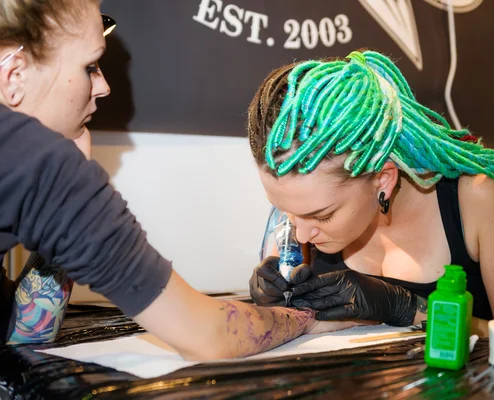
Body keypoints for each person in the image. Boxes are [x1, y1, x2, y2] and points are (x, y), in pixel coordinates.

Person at [0, 0, 354, 358]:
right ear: (14, 75)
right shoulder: (40, 162)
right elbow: (208, 333)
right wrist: (306, 320)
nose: (103, 85)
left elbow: (23, 332)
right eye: (89, 66)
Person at [247, 50, 494, 349]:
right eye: (286, 210)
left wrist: (406, 307)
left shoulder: (479, 201)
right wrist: (274, 299)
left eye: (322, 216)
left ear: (383, 179)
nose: (300, 233)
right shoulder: (302, 209)